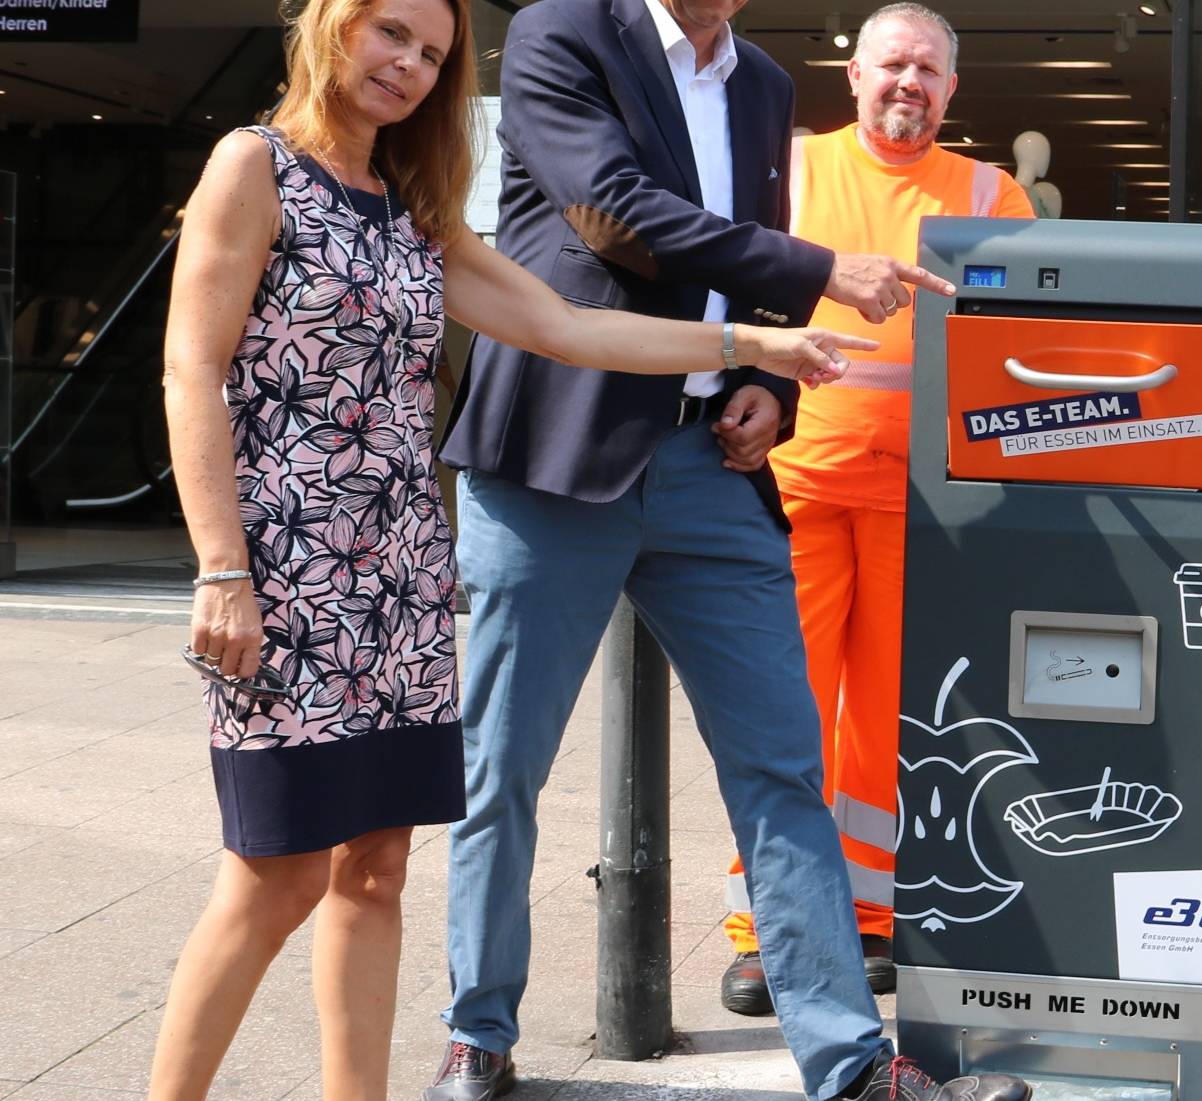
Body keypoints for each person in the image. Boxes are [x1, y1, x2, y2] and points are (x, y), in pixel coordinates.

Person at [147, 1, 864, 1098]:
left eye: (432, 55)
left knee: (377, 872)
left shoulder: (416, 212)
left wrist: (755, 343)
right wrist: (222, 569)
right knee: (270, 876)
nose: (410, 66)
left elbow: (570, 328)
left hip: (397, 570)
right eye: (392, 34)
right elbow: (190, 369)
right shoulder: (253, 166)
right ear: (332, 26)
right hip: (288, 565)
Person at [424, 1, 1026, 1099]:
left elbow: (738, 280)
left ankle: (851, 1064)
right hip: (557, 456)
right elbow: (611, 215)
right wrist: (816, 270)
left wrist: (759, 385)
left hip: (713, 468)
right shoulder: (567, 31)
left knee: (782, 768)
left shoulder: (757, 82)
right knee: (503, 766)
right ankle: (479, 1033)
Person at [711, 1, 1034, 1017]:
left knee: (898, 722)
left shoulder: (991, 194)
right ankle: (767, 929)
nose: (910, 84)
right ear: (853, 74)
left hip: (923, 505)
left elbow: (1016, 348)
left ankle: (871, 918)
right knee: (780, 707)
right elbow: (733, 305)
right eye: (893, 64)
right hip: (794, 485)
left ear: (951, 89)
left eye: (929, 71)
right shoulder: (793, 169)